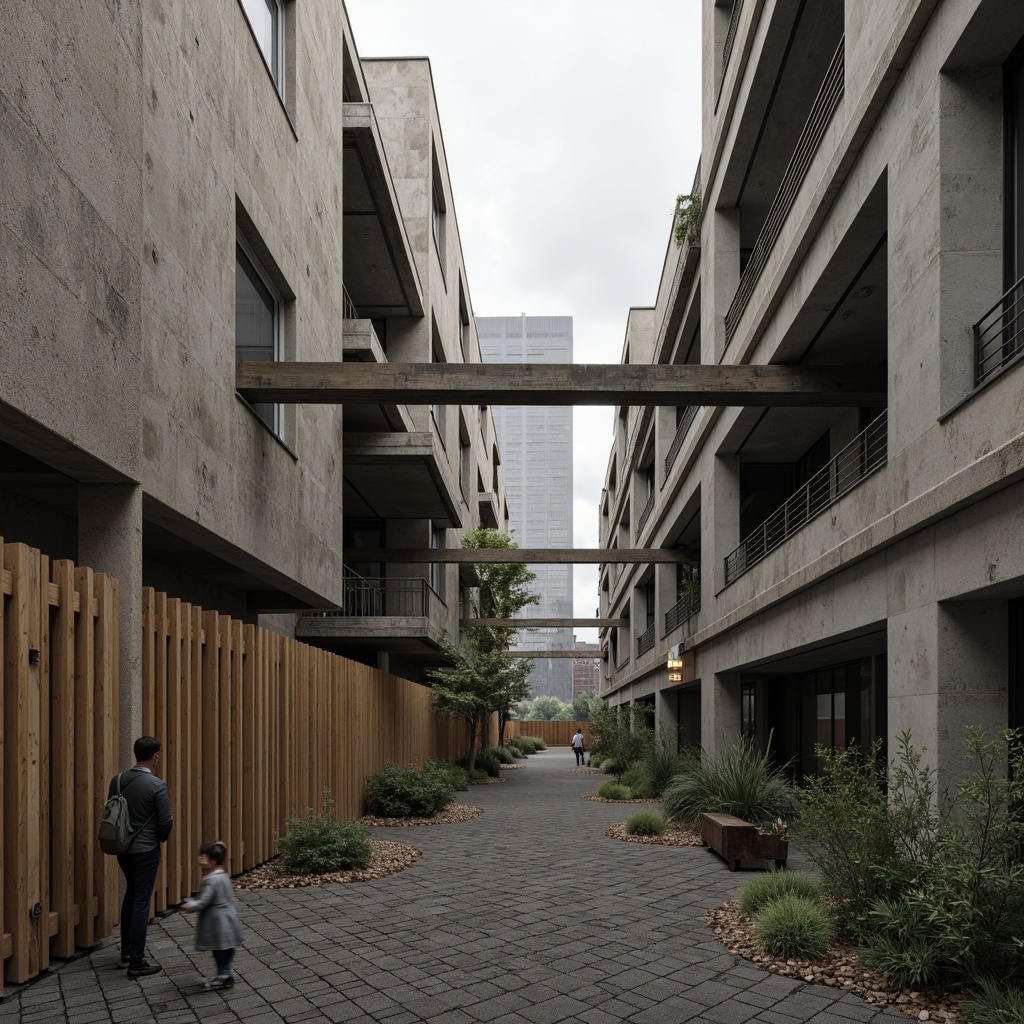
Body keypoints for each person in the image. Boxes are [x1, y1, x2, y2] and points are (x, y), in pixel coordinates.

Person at [110, 736, 173, 977]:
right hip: (146, 851)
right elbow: (166, 820)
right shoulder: (157, 785)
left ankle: (126, 953)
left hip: (123, 849)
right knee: (140, 901)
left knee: (131, 894)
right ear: (155, 756)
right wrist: (160, 839)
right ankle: (137, 962)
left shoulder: (117, 781)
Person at [182, 841, 244, 990]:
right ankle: (226, 973)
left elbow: (204, 901)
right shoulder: (223, 875)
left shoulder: (211, 880)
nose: (199, 859)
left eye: (202, 857)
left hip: (218, 921)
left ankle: (224, 976)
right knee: (226, 947)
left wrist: (190, 905)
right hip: (228, 917)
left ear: (211, 862)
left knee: (219, 949)